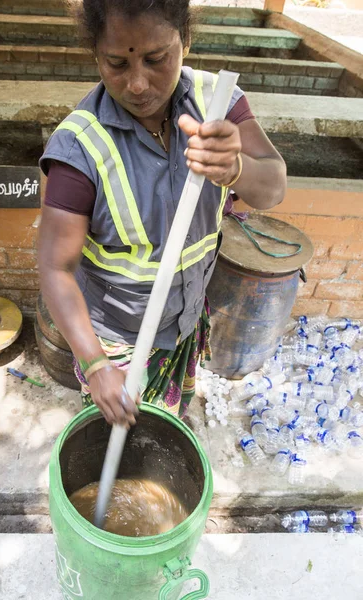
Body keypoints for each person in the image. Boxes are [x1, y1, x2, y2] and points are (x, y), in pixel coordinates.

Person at [38, 0, 286, 427]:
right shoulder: (80, 148)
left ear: (185, 41)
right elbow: (54, 269)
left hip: (185, 316)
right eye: (116, 63)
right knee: (115, 433)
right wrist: (96, 366)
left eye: (157, 59)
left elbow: (273, 187)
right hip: (117, 339)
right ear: (96, 56)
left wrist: (236, 168)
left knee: (165, 423)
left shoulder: (217, 103)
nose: (137, 84)